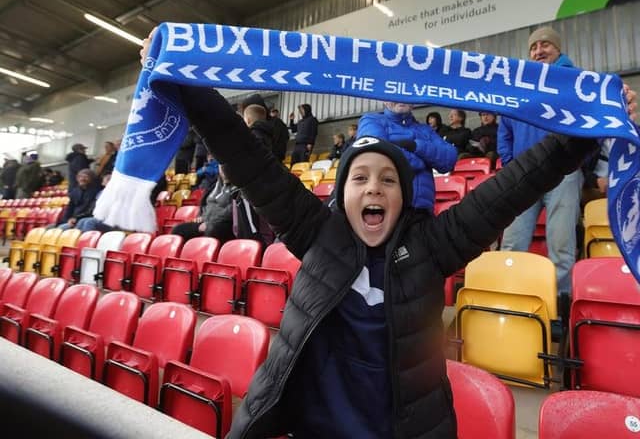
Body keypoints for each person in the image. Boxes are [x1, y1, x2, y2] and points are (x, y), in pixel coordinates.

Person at [136, 29, 636, 438]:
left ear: (402, 197)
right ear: (342, 194)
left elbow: (512, 186)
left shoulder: (432, 245)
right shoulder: (317, 232)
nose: (373, 187)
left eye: (388, 179)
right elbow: (244, 154)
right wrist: (183, 83)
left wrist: (587, 129)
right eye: (360, 177)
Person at [498, 26, 584, 297]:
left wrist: (578, 159)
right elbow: (505, 129)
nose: (538, 51)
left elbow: (590, 126)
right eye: (534, 47)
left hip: (564, 174)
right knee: (512, 242)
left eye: (545, 45)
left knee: (561, 246)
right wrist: (512, 163)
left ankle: (557, 306)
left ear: (558, 49)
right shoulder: (520, 86)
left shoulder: (575, 82)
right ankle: (510, 298)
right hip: (525, 173)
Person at [357, 102, 457, 211]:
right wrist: (422, 161)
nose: (400, 99)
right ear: (384, 100)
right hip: (386, 211)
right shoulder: (371, 120)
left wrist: (416, 146)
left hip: (422, 212)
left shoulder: (425, 130)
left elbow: (449, 159)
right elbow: (376, 156)